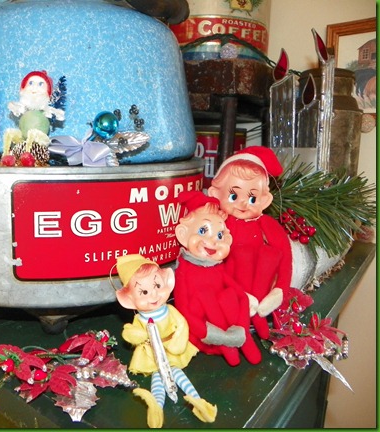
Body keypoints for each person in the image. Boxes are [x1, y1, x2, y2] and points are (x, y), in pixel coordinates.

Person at [114, 254, 217, 428]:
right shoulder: (140, 319)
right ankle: (156, 407)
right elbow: (130, 333)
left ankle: (198, 401)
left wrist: (177, 344)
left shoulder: (170, 310)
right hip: (152, 354)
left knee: (176, 373)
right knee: (158, 377)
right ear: (128, 299)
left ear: (167, 281)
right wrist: (138, 335)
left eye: (157, 286)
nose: (154, 294)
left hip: (171, 349)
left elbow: (181, 325)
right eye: (144, 292)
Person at [207, 146, 292, 339]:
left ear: (265, 200)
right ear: (215, 194)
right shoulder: (215, 223)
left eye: (252, 198)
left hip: (261, 293)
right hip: (227, 296)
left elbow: (285, 260)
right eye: (234, 196)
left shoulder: (267, 225)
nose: (243, 203)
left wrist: (280, 290)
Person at [174, 191, 262, 366]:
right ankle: (231, 346)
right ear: (183, 234)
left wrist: (241, 328)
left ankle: (241, 343)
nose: (213, 241)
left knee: (229, 295)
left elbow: (241, 296)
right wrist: (213, 334)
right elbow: (184, 310)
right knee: (205, 296)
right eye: (203, 231)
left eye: (219, 235)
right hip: (203, 333)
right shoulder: (184, 271)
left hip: (231, 328)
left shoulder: (218, 268)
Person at [7, 70, 65, 139]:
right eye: (31, 83)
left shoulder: (47, 111)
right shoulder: (21, 107)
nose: (34, 87)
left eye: (40, 84)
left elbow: (59, 115)